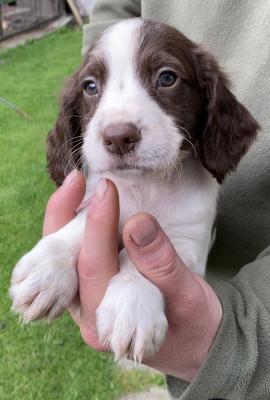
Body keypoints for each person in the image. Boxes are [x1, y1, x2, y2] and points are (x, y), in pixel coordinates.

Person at [45, 1, 270, 399]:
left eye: (166, 77)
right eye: (92, 88)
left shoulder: (197, 186)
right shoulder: (105, 146)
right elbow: (113, 9)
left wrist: (137, 281)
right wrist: (64, 248)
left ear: (206, 97)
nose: (117, 127)